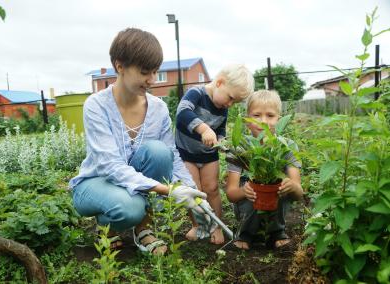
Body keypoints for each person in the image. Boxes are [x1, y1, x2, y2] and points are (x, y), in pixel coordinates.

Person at [69, 28, 208, 256]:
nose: (152, 80)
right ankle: (107, 224)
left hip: (128, 182)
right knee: (129, 208)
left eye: (155, 72)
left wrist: (191, 192)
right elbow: (110, 166)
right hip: (95, 182)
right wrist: (169, 190)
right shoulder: (96, 105)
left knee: (160, 152)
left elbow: (170, 157)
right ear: (119, 66)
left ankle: (143, 230)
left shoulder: (158, 108)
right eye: (145, 72)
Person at [175, 64, 254, 244]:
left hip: (208, 155)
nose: (229, 104)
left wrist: (221, 141)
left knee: (211, 189)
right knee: (194, 191)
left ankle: (216, 226)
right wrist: (203, 129)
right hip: (187, 154)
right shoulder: (196, 93)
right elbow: (182, 114)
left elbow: (220, 130)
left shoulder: (223, 107)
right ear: (219, 82)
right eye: (231, 98)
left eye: (234, 102)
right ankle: (198, 226)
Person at [225, 90, 303, 250]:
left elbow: (298, 193)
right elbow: (231, 193)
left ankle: (276, 232)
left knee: (277, 186)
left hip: (276, 202)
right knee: (256, 188)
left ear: (279, 120)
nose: (263, 121)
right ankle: (246, 233)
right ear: (246, 121)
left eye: (270, 115)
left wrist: (292, 186)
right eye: (256, 115)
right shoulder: (239, 147)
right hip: (248, 204)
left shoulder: (287, 146)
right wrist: (244, 191)